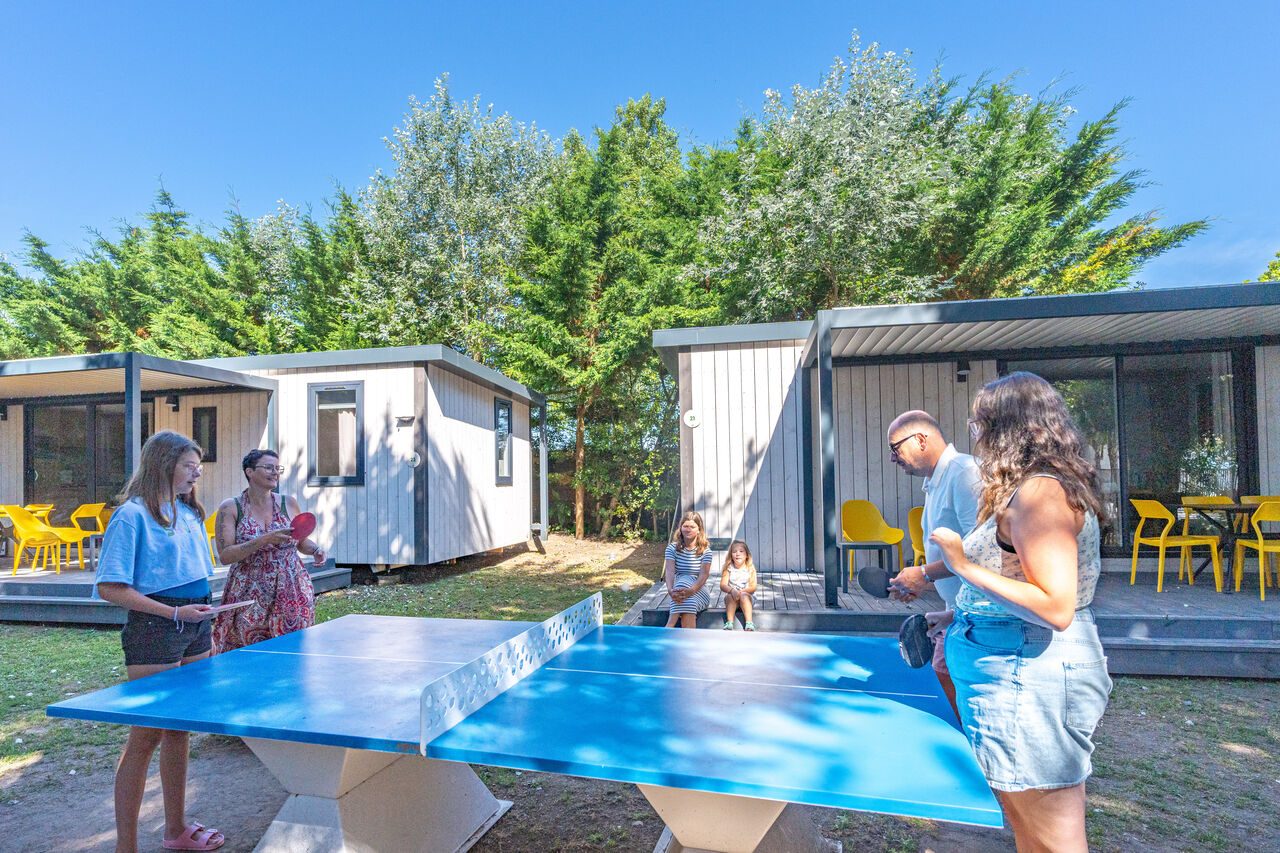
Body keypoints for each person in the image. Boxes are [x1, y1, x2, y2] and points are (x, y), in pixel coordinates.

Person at [930, 372, 1111, 852]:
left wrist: (961, 565)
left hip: (1026, 673)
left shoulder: (1042, 494)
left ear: (1008, 428)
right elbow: (1018, 582)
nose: (977, 436)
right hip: (1009, 664)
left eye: (979, 424)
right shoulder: (1027, 490)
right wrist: (960, 616)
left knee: (1053, 841)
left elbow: (1055, 605)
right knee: (1029, 831)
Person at [94, 431, 225, 852]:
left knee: (179, 730)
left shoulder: (187, 511)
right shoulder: (130, 516)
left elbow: (194, 574)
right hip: (157, 630)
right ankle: (126, 847)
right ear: (163, 464)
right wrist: (173, 614)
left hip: (196, 623)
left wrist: (200, 614)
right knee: (146, 736)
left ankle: (175, 831)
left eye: (197, 465)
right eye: (190, 465)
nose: (197, 472)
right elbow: (110, 587)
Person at [883, 410, 982, 717]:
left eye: (895, 449)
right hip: (961, 612)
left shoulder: (964, 474)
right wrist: (922, 582)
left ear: (921, 440)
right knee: (943, 672)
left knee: (969, 701)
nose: (892, 458)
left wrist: (924, 575)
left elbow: (982, 552)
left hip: (983, 618)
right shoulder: (936, 481)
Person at [211, 450, 325, 653]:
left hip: (291, 589)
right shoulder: (231, 507)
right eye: (268, 467)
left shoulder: (288, 503)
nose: (275, 473)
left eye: (277, 468)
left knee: (293, 651)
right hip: (248, 593)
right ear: (250, 472)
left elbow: (299, 541)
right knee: (247, 654)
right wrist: (264, 540)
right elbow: (225, 555)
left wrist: (315, 549)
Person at [664, 511, 712, 628]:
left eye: (692, 527)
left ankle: (669, 626)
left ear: (699, 529)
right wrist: (670, 590)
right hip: (678, 593)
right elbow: (669, 571)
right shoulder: (671, 549)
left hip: (699, 591)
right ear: (680, 528)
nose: (688, 529)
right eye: (685, 526)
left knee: (685, 579)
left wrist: (691, 590)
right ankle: (689, 642)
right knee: (689, 603)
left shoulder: (706, 551)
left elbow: (703, 576)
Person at [719, 539, 758, 631]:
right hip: (733, 598)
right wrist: (732, 591)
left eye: (741, 551)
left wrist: (741, 593)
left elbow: (753, 587)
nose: (738, 554)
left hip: (747, 597)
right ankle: (729, 622)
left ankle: (749, 622)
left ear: (746, 555)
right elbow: (723, 585)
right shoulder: (728, 568)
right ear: (731, 555)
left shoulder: (750, 568)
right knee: (729, 597)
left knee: (744, 596)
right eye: (734, 552)